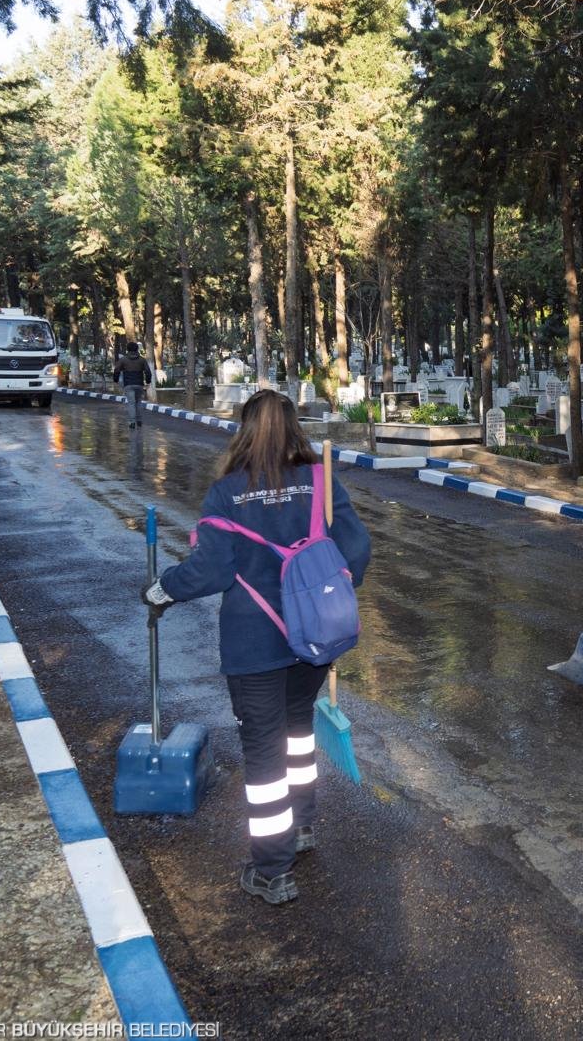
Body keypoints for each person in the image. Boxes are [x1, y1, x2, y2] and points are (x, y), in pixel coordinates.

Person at [141, 390, 372, 904]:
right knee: (296, 735)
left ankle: (273, 870)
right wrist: (327, 589)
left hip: (254, 642)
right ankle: (303, 827)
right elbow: (356, 550)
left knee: (264, 753)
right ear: (296, 428)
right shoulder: (319, 480)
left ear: (243, 430)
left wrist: (162, 589)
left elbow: (211, 570)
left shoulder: (226, 493)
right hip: (314, 639)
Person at [113, 342, 153, 428]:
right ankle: (139, 421)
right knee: (138, 402)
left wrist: (115, 380)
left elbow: (116, 370)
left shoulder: (123, 359)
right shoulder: (142, 360)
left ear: (127, 349)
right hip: (139, 384)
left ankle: (132, 422)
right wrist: (148, 381)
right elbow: (148, 372)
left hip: (128, 384)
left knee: (131, 403)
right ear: (137, 349)